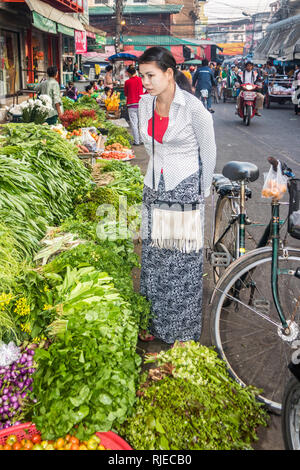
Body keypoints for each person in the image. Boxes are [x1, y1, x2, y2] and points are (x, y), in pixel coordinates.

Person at [137, 46, 217, 344]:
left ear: (169, 74)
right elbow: (149, 146)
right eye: (142, 75)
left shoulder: (193, 108)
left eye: (150, 75)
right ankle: (154, 324)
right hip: (153, 187)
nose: (145, 82)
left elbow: (208, 152)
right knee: (155, 259)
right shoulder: (145, 105)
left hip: (183, 188)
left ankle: (181, 332)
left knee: (180, 263)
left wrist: (201, 192)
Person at [124, 65, 144, 146]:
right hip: (141, 103)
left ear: (128, 73)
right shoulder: (141, 80)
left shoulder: (127, 82)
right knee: (141, 123)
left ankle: (136, 141)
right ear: (135, 72)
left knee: (134, 124)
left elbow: (126, 94)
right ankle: (142, 140)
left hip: (131, 104)